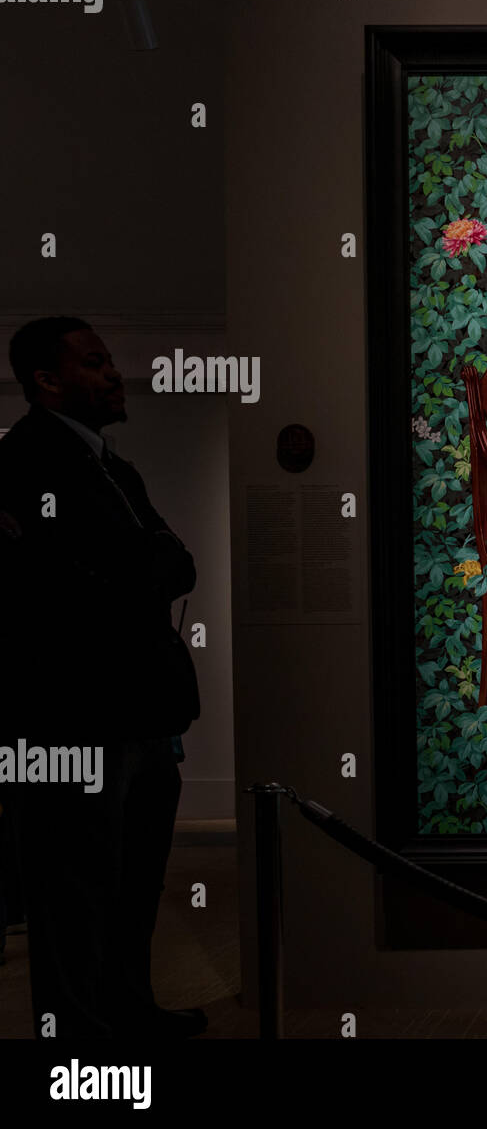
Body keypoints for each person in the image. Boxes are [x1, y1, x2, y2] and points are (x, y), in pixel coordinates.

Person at [0, 316, 204, 1038]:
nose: (114, 374)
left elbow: (177, 564)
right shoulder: (23, 461)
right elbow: (63, 587)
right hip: (74, 719)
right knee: (72, 894)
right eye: (94, 363)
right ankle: (78, 1049)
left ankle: (128, 1009)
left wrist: (136, 568)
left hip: (143, 717)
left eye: (110, 360)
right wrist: (139, 568)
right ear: (46, 381)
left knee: (131, 884)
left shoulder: (115, 468)